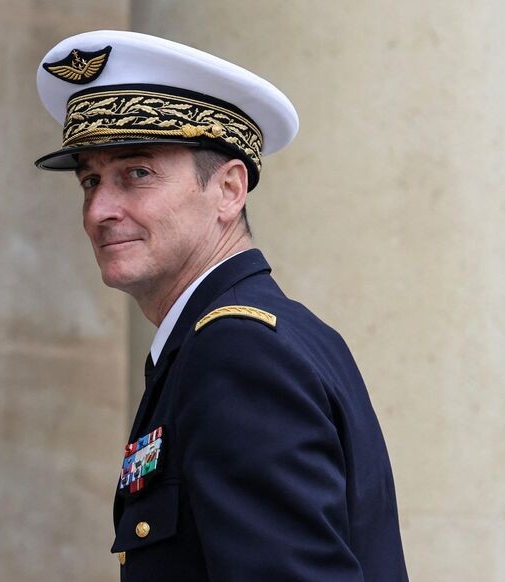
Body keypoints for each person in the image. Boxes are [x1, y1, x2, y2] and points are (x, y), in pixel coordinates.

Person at [35, 30, 408, 580]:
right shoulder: (271, 335)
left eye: (136, 173)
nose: (98, 211)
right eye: (90, 181)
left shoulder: (237, 351)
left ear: (230, 190)